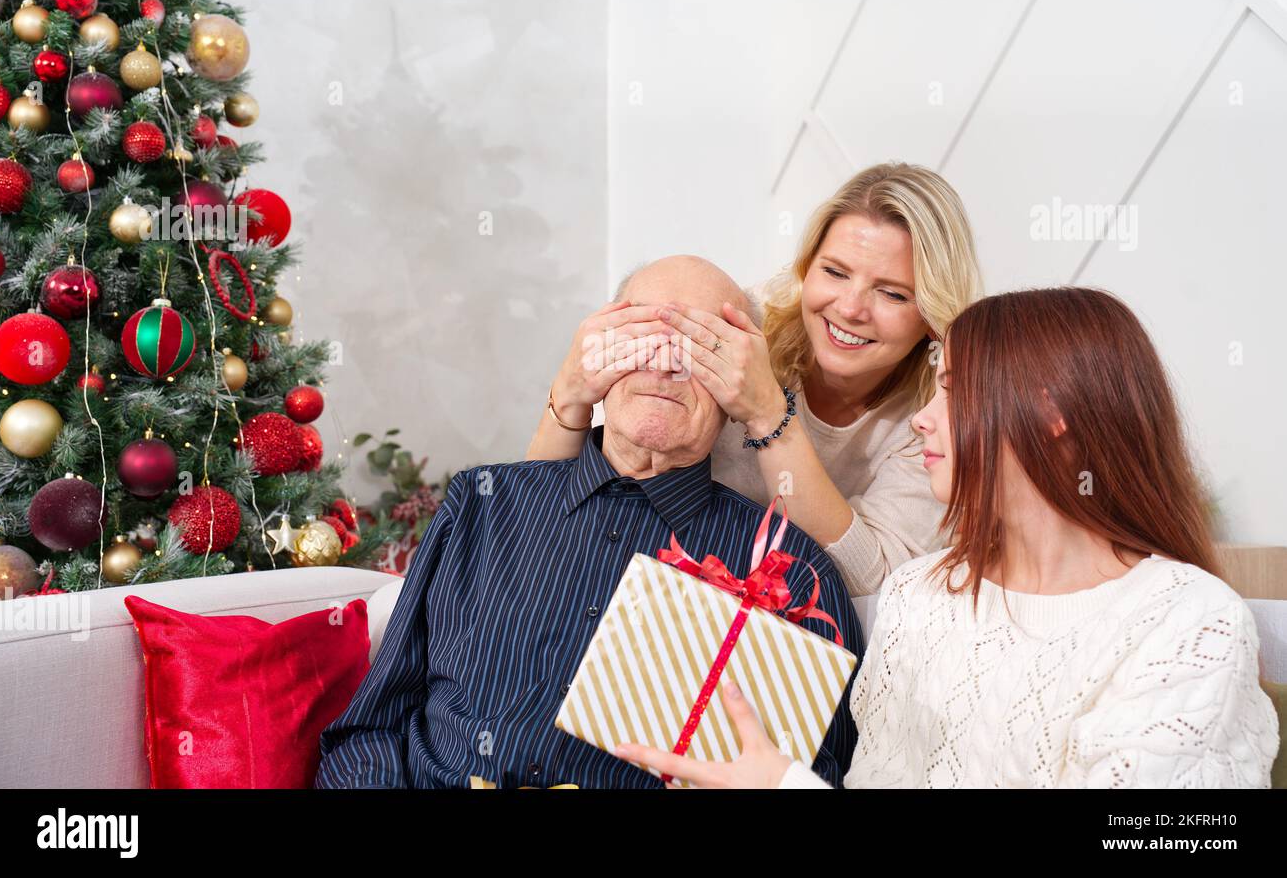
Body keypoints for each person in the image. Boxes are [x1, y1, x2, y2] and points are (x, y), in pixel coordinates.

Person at [613, 287, 1280, 788]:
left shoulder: (1189, 623)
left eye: (954, 391)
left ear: (1050, 414)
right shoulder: (919, 597)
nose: (923, 422)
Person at [316, 256, 862, 789]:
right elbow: (371, 728)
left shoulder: (791, 572)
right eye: (641, 334)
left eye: (701, 347)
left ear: (739, 384)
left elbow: (814, 777)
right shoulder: (481, 503)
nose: (664, 363)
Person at [527, 162, 982, 596]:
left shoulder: (941, 417)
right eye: (834, 272)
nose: (850, 308)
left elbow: (876, 582)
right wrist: (569, 394)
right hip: (660, 573)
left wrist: (769, 416)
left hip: (800, 625)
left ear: (931, 315)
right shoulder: (740, 325)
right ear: (805, 267)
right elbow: (535, 514)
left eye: (892, 293)